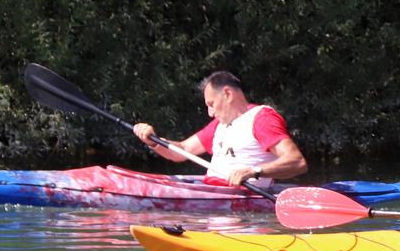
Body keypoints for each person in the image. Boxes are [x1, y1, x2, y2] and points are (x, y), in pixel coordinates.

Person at [132, 71, 307, 187]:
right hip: (213, 193)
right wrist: (153, 141)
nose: (210, 113)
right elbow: (182, 150)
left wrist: (254, 171)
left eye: (211, 104)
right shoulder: (220, 125)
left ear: (227, 94)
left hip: (242, 204)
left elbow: (297, 162)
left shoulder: (261, 119)